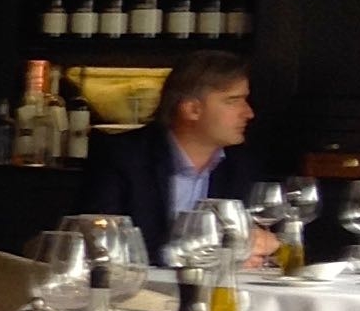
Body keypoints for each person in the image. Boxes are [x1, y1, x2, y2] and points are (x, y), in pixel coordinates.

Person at [72, 50, 267, 264]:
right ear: (192, 110)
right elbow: (99, 243)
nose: (248, 113)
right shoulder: (123, 157)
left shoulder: (240, 166)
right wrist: (209, 256)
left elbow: (250, 239)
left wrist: (260, 244)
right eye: (233, 101)